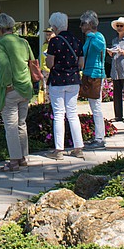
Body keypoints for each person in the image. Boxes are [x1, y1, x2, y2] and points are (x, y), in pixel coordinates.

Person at [0, 13, 34, 172]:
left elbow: (5, 67)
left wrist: (8, 84)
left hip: (11, 89)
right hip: (26, 87)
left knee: (11, 126)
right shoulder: (23, 42)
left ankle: (14, 161)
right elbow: (31, 61)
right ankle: (23, 158)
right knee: (22, 123)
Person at [45, 12, 85, 159]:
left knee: (59, 115)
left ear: (55, 26)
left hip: (58, 80)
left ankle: (59, 150)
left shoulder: (54, 42)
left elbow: (49, 63)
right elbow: (81, 63)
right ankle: (78, 148)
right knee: (73, 114)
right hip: (74, 80)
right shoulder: (77, 40)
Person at [79, 10, 107, 149]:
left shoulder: (98, 36)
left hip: (96, 75)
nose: (81, 27)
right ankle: (98, 136)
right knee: (93, 106)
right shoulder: (89, 38)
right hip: (88, 73)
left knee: (96, 107)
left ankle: (100, 138)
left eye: (83, 24)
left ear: (90, 24)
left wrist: (90, 35)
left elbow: (100, 47)